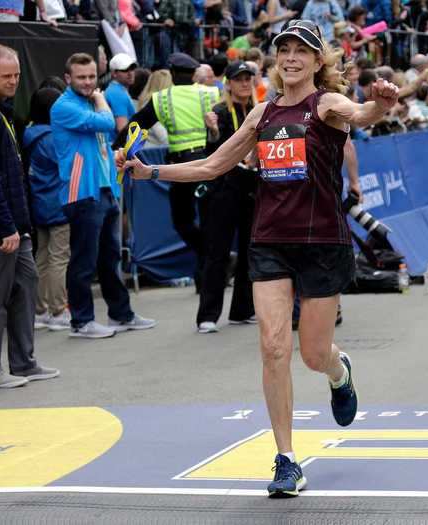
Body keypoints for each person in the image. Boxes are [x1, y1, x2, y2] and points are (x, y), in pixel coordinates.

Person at [121, 19, 398, 497]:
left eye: (301, 51)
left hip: (322, 242)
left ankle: (339, 370)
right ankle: (287, 459)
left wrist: (382, 102)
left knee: (312, 355)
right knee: (273, 347)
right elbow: (213, 164)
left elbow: (362, 112)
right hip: (269, 240)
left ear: (317, 61)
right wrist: (151, 171)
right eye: (284, 49)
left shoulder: (326, 105)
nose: (291, 57)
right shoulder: (261, 114)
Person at [0, 45, 60, 388]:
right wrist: (7, 226)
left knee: (26, 283)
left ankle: (23, 362)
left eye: (17, 75)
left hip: (12, 224)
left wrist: (18, 225)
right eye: (6, 76)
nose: (13, 82)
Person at [51, 52, 156, 338]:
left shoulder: (86, 104)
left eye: (91, 77)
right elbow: (108, 124)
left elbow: (100, 145)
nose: (87, 82)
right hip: (82, 193)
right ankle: (82, 322)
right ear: (67, 79)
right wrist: (100, 101)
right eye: (81, 77)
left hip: (104, 189)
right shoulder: (65, 107)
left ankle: (121, 315)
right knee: (84, 261)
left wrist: (116, 156)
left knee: (109, 258)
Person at [114, 53, 221, 292]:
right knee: (208, 221)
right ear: (194, 74)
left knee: (182, 221)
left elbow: (137, 126)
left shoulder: (162, 99)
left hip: (180, 168)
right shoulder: (211, 93)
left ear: (172, 74)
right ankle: (210, 267)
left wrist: (118, 148)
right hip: (210, 163)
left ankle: (206, 267)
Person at [196, 61, 257, 334]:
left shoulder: (258, 111)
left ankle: (242, 310)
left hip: (251, 188)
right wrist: (214, 132)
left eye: (248, 78)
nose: (245, 83)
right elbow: (212, 152)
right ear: (228, 83)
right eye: (239, 79)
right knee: (217, 252)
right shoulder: (219, 112)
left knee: (249, 251)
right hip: (223, 190)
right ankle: (207, 315)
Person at [24, 87, 72, 332]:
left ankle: (40, 309)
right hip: (58, 203)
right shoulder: (53, 138)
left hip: (38, 203)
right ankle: (58, 309)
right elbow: (69, 164)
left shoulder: (29, 134)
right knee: (58, 258)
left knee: (42, 258)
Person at [104, 53, 137, 135]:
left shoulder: (115, 90)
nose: (130, 73)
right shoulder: (117, 93)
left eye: (132, 68)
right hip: (118, 146)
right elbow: (122, 129)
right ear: (114, 73)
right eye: (125, 70)